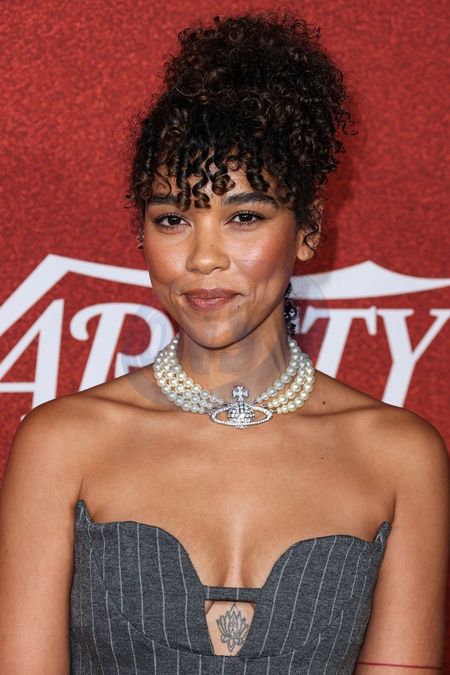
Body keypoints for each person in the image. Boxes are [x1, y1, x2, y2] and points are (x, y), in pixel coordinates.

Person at [0, 12, 448, 675]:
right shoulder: (63, 444)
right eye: (173, 219)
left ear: (306, 230)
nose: (204, 257)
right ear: (142, 235)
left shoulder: (400, 457)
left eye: (243, 216)